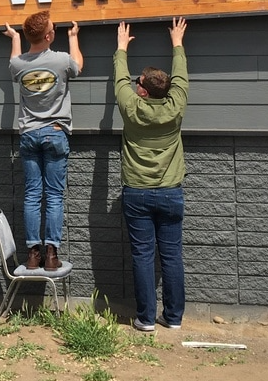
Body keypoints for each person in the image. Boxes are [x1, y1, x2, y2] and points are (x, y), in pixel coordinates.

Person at [114, 17, 189, 332]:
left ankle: (146, 319)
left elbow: (118, 80)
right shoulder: (176, 107)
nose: (133, 84)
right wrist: (177, 43)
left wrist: (120, 48)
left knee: (143, 255)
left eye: (138, 82)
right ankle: (172, 318)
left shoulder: (131, 108)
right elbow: (182, 78)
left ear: (142, 92)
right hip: (171, 192)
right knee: (171, 255)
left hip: (137, 193)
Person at [3, 11, 82, 271]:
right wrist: (74, 38)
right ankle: (51, 255)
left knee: (32, 195)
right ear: (48, 36)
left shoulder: (19, 66)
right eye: (54, 29)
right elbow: (78, 65)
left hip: (28, 135)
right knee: (55, 196)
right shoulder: (61, 60)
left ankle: (33, 255)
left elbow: (14, 59)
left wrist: (15, 37)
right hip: (56, 131)